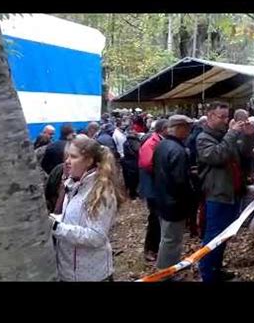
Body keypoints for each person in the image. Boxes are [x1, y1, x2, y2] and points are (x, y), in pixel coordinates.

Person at [48, 134, 125, 281]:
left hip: (92, 275)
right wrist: (51, 219)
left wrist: (56, 227)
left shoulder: (102, 192)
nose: (67, 161)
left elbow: (96, 236)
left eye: (73, 157)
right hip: (68, 271)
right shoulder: (73, 185)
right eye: (67, 156)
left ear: (89, 161)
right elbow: (72, 220)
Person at [197, 102, 254, 282]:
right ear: (209, 116)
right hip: (217, 195)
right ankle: (207, 274)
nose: (225, 120)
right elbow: (217, 156)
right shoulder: (203, 138)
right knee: (213, 236)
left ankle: (216, 269)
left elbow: (244, 153)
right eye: (220, 117)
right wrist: (232, 134)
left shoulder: (226, 135)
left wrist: (248, 136)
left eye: (226, 116)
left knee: (224, 235)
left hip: (233, 193)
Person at [152, 115, 195, 272]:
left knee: (167, 238)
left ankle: (168, 267)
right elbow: (180, 181)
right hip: (174, 203)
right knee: (171, 240)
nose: (190, 131)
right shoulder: (178, 149)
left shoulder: (161, 145)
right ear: (179, 128)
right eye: (187, 127)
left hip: (162, 198)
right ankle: (166, 272)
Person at [139, 119, 169, 262]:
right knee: (154, 219)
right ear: (163, 129)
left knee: (158, 217)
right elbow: (146, 163)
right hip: (152, 188)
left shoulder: (160, 141)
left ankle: (156, 247)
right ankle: (150, 249)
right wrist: (162, 170)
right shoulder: (151, 143)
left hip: (158, 186)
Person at [121, 129, 141, 200]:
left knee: (128, 178)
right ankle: (133, 194)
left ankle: (130, 191)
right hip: (133, 163)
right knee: (134, 179)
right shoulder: (134, 142)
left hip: (126, 162)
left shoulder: (126, 142)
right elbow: (138, 151)